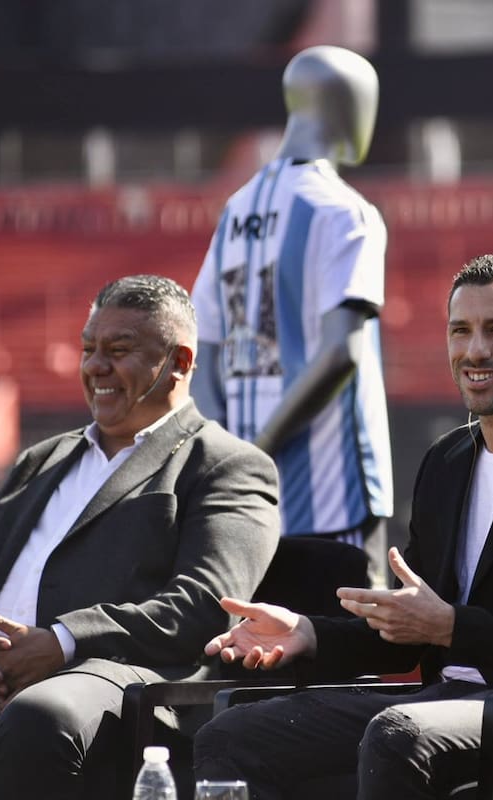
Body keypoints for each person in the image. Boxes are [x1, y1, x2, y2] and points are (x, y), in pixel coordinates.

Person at [192, 254, 493, 799]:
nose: (475, 351)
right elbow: (406, 635)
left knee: (398, 734)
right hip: (440, 703)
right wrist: (307, 632)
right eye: (460, 331)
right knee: (230, 734)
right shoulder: (447, 460)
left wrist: (452, 628)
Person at [0, 275, 282, 800]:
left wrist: (59, 642)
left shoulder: (226, 465)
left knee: (38, 715)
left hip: (118, 683)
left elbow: (206, 604)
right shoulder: (41, 460)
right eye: (88, 349)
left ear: (180, 363)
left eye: (118, 351)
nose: (96, 366)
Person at [190, 44, 393, 585]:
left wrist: (229, 453)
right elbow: (341, 352)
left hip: (246, 501)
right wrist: (260, 451)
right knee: (349, 649)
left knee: (259, 648)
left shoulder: (235, 210)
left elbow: (201, 350)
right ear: (352, 107)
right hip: (335, 490)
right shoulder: (346, 211)